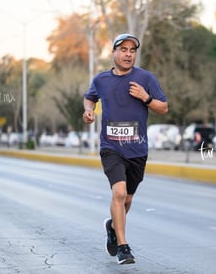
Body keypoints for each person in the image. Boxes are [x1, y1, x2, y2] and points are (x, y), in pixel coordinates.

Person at [83, 33, 168, 264]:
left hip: (137, 150)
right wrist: (89, 110)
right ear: (113, 53)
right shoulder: (101, 80)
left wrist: (146, 97)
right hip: (111, 147)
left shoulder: (146, 78)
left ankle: (112, 226)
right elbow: (89, 97)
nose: (128, 53)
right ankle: (123, 247)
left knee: (127, 199)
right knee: (118, 193)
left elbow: (164, 107)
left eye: (132, 50)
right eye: (123, 49)